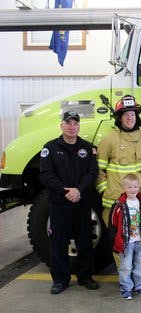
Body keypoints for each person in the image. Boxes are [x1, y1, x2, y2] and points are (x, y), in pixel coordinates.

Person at [96, 95, 141, 288]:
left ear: (137, 116)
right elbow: (99, 170)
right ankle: (126, 278)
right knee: (121, 242)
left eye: (133, 114)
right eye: (126, 114)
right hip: (116, 204)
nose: (129, 118)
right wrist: (106, 191)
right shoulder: (109, 140)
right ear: (119, 118)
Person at [39, 111, 100, 294]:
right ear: (61, 125)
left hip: (82, 203)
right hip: (60, 203)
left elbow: (92, 172)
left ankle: (85, 277)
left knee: (85, 241)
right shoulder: (49, 148)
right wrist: (66, 191)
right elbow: (46, 175)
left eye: (75, 123)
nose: (72, 126)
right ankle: (60, 280)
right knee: (59, 242)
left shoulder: (87, 148)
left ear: (79, 126)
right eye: (68, 123)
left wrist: (78, 190)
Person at [109, 174, 141, 300]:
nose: (132, 190)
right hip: (127, 242)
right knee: (126, 266)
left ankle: (139, 286)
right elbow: (113, 223)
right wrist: (115, 240)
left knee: (140, 265)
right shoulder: (119, 205)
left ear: (139, 187)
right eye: (129, 187)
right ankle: (126, 287)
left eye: (135, 187)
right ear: (124, 188)